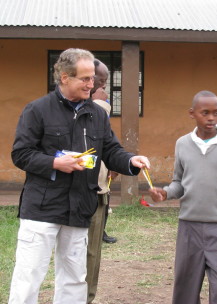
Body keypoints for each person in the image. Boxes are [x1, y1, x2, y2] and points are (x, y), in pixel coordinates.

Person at [8, 48, 150, 304]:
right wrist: (54, 163)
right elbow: (21, 154)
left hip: (80, 205)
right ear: (64, 77)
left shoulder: (97, 114)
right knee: (29, 275)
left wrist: (130, 160)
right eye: (84, 78)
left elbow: (111, 150)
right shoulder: (37, 110)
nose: (91, 84)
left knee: (74, 277)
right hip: (42, 207)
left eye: (92, 78)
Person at [149, 90, 217, 304]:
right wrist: (165, 193)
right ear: (192, 113)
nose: (211, 118)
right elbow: (179, 183)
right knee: (185, 286)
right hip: (189, 227)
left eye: (216, 112)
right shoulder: (183, 143)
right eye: (205, 113)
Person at [86, 59, 117, 304]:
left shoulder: (100, 108)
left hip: (99, 188)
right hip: (79, 191)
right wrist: (100, 102)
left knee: (93, 254)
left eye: (105, 81)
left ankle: (87, 297)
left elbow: (107, 141)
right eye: (100, 80)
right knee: (79, 254)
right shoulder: (91, 105)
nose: (103, 86)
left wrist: (115, 163)